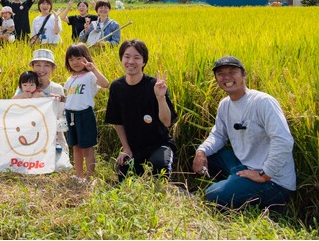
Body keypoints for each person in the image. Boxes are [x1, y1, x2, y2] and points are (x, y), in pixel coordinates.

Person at [192, 56, 296, 209]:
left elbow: (283, 140)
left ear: (243, 74)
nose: (226, 77)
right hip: (244, 164)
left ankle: (240, 188)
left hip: (273, 181)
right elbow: (218, 135)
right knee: (207, 156)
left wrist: (264, 174)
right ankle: (237, 183)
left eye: (232, 71)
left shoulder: (263, 102)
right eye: (220, 73)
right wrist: (201, 151)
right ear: (216, 78)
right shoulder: (225, 104)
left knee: (212, 196)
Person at [105, 39, 176, 180]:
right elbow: (117, 122)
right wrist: (126, 148)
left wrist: (160, 98)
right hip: (134, 148)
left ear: (144, 62)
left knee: (158, 167)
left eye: (137, 57)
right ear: (121, 59)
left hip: (159, 145)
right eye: (127, 56)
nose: (131, 61)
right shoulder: (116, 87)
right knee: (123, 175)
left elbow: (167, 122)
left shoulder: (155, 85)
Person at [63, 43, 110, 180]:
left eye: (78, 58)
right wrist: (61, 98)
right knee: (76, 147)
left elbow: (105, 84)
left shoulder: (90, 76)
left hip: (84, 114)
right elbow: (71, 98)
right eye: (71, 60)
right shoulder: (70, 79)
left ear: (86, 58)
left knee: (87, 148)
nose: (75, 62)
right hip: (70, 115)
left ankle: (89, 177)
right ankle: (79, 176)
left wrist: (93, 68)